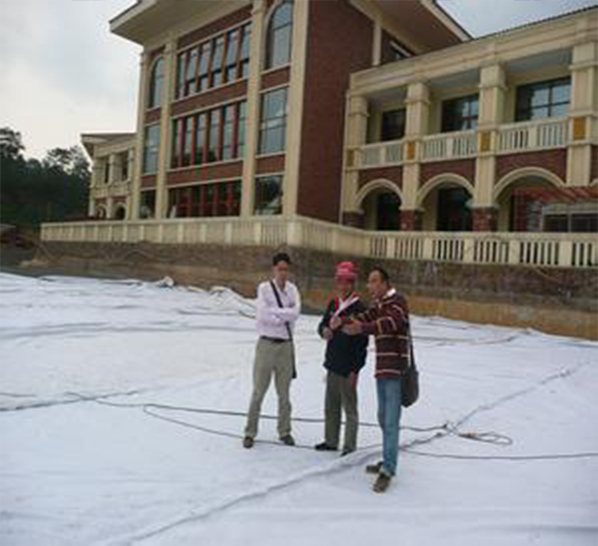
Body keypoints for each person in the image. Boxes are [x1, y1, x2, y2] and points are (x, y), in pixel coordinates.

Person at [331, 266, 413, 493]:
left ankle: (388, 469)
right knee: (383, 417)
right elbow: (364, 316)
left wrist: (362, 329)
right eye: (369, 281)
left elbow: (387, 324)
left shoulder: (398, 302)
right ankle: (387, 459)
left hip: (396, 372)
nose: (370, 285)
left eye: (374, 281)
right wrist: (342, 320)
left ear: (386, 283)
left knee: (391, 421)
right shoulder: (379, 305)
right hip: (382, 371)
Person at [243, 252, 301, 449]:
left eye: (286, 269)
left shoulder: (293, 289)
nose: (283, 273)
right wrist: (283, 315)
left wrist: (276, 312)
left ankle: (285, 431)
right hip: (266, 345)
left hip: (285, 346)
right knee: (258, 391)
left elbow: (296, 313)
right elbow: (263, 315)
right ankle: (250, 432)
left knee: (284, 394)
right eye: (279, 269)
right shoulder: (264, 288)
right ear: (274, 269)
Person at [315, 262, 368, 457]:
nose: (343, 286)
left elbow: (362, 345)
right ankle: (331, 440)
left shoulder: (360, 308)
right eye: (340, 281)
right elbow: (321, 325)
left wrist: (356, 370)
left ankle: (349, 445)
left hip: (348, 368)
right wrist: (324, 331)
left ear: (353, 284)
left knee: (350, 409)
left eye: (348, 282)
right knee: (331, 407)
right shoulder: (333, 304)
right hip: (332, 363)